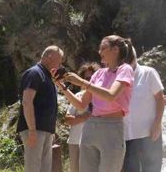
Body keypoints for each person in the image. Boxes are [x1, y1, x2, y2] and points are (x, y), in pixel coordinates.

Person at [57, 35, 135, 172]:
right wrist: (62, 86)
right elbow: (81, 105)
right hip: (90, 127)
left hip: (112, 127)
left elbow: (111, 95)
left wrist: (82, 82)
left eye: (103, 48)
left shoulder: (125, 69)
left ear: (115, 49)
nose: (99, 52)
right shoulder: (98, 73)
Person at [16, 45, 64, 172]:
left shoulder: (47, 76)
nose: (60, 64)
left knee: (45, 168)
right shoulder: (35, 73)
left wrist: (51, 131)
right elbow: (27, 101)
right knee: (33, 167)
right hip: (35, 129)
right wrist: (32, 129)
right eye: (59, 60)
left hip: (45, 130)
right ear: (49, 57)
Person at [123, 47, 166, 172]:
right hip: (127, 134)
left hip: (148, 133)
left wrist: (157, 124)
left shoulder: (149, 73)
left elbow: (160, 99)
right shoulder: (118, 77)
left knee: (151, 169)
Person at [65, 62, 101, 172]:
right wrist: (84, 118)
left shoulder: (103, 97)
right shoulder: (78, 96)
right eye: (87, 78)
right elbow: (67, 119)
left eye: (92, 77)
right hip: (76, 141)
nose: (89, 80)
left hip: (96, 142)